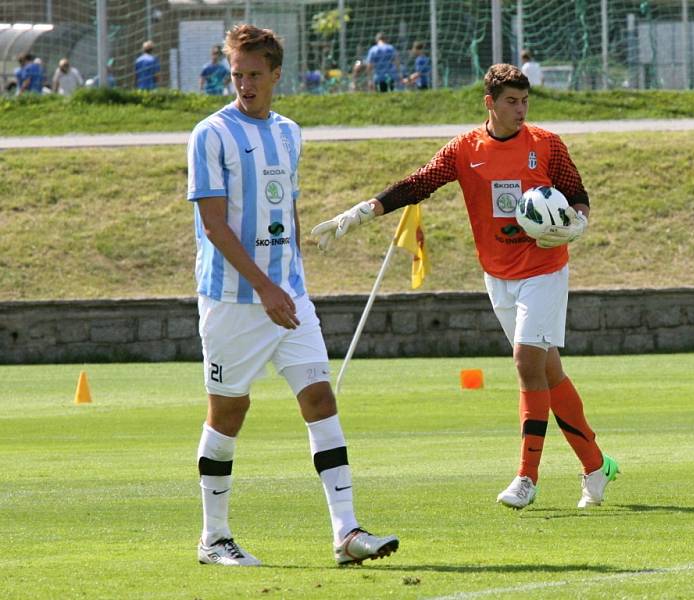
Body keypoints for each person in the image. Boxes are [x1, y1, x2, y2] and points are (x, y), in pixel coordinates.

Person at [311, 63, 619, 511]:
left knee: (525, 361)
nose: (520, 110)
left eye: (525, 101)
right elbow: (420, 182)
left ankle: (526, 479)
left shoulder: (547, 145)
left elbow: (577, 195)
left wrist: (577, 225)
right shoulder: (464, 150)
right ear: (489, 103)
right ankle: (595, 466)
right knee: (548, 373)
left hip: (545, 268)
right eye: (511, 102)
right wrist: (362, 212)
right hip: (498, 275)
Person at [186, 23, 399, 567]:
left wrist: (294, 279)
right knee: (229, 414)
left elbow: (289, 208)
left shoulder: (289, 132)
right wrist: (264, 288)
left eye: (255, 75)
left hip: (290, 297)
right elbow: (213, 224)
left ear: (276, 74)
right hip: (235, 300)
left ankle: (347, 533)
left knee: (320, 399)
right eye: (237, 75)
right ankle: (213, 539)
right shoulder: (210, 134)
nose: (245, 84)